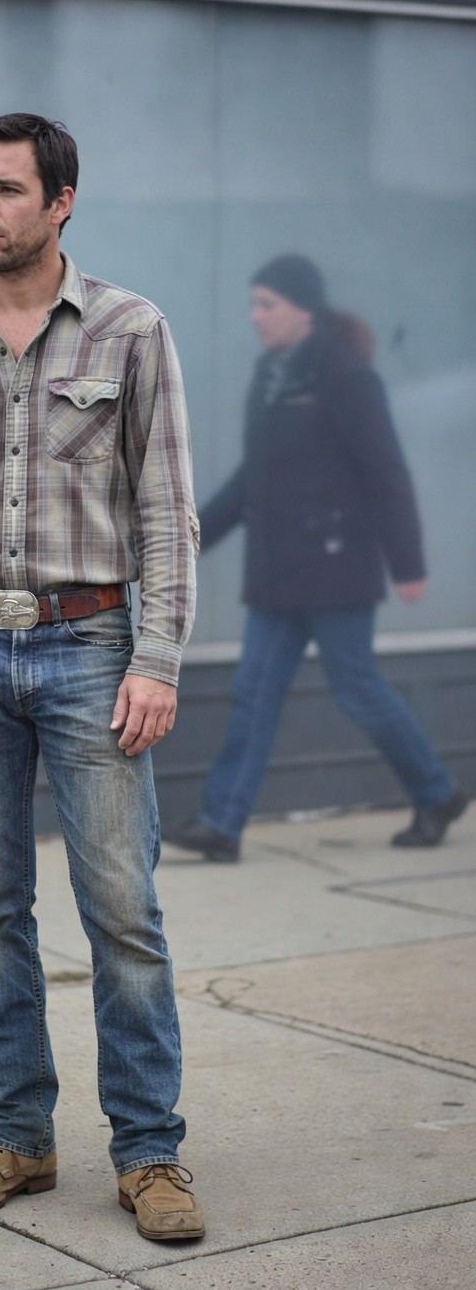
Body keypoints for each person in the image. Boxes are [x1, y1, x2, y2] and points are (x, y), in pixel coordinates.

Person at [0, 113, 204, 1242]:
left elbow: (167, 511)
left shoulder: (128, 329)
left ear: (62, 201)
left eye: (7, 189)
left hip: (91, 648)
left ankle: (150, 1153)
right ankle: (16, 1135)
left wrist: (156, 657)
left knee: (123, 912)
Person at [163, 253, 468, 864]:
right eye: (252, 304)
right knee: (253, 693)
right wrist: (185, 540)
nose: (255, 317)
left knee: (358, 690)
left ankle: (436, 793)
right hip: (278, 575)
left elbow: (387, 473)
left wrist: (407, 563)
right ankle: (223, 823)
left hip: (335, 570)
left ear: (304, 310)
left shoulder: (347, 378)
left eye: (266, 304)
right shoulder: (272, 378)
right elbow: (254, 480)